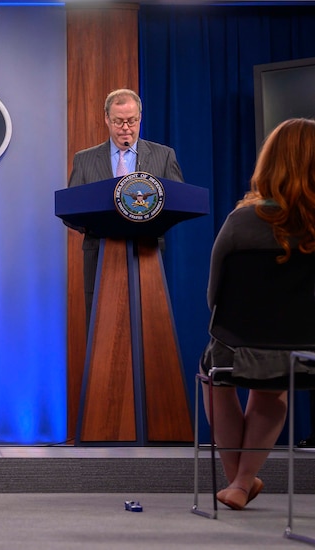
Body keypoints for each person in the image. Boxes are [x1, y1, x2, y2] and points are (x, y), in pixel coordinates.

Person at [200, 117, 315, 510]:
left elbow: (214, 296)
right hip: (304, 352)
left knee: (215, 378)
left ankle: (238, 480)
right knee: (271, 382)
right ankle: (241, 482)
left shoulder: (242, 220)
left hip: (237, 345)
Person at [67, 89, 184, 326]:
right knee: (102, 324)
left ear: (140, 118)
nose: (126, 128)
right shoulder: (85, 159)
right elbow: (71, 211)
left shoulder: (163, 156)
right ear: (107, 120)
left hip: (147, 253)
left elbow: (179, 201)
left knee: (149, 324)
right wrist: (99, 223)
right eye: (119, 121)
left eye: (131, 120)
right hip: (100, 252)